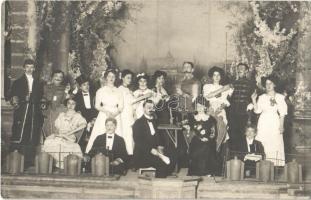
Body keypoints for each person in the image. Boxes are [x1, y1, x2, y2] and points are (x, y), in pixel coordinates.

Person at [9, 59, 44, 167]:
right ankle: (17, 161)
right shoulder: (18, 82)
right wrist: (22, 98)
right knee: (20, 134)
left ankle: (29, 161)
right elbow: (13, 96)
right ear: (24, 68)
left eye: (31, 67)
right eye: (27, 67)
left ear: (34, 68)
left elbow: (41, 97)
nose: (29, 69)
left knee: (32, 135)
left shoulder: (38, 82)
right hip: (22, 112)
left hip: (33, 112)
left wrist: (41, 101)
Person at [251, 75, 287, 166]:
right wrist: (254, 100)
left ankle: (275, 165)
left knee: (274, 143)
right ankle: (264, 166)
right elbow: (257, 111)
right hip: (263, 121)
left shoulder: (279, 97)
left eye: (270, 83)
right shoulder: (262, 97)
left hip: (274, 121)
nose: (268, 85)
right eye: (266, 84)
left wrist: (281, 125)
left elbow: (282, 113)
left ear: (274, 84)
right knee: (263, 142)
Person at [85, 68, 124, 153]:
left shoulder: (119, 91)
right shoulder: (101, 90)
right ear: (106, 77)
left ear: (115, 78)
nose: (111, 78)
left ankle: (116, 154)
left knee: (117, 132)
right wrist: (106, 112)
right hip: (104, 113)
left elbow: (121, 107)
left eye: (113, 76)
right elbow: (97, 105)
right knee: (101, 131)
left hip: (115, 114)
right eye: (109, 76)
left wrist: (115, 114)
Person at [42, 98, 87, 169]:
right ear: (66, 104)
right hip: (60, 135)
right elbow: (57, 126)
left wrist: (71, 132)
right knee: (49, 142)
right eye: (69, 103)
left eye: (73, 104)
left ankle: (65, 164)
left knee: (70, 145)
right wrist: (59, 134)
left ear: (76, 105)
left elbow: (84, 124)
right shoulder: (61, 115)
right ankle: (56, 163)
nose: (70, 105)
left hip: (70, 136)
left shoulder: (77, 116)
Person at [132, 100, 172, 178]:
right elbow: (138, 141)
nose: (151, 109)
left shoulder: (155, 121)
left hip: (156, 150)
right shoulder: (138, 123)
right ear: (143, 108)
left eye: (152, 108)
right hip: (143, 152)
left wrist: (160, 146)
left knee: (172, 156)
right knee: (162, 165)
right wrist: (150, 149)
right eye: (148, 107)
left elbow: (160, 137)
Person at [203, 66, 233, 152]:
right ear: (211, 77)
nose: (216, 77)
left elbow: (226, 101)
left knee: (220, 131)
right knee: (210, 131)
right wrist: (223, 89)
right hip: (210, 109)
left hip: (220, 110)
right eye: (214, 75)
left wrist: (222, 107)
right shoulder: (207, 86)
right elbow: (208, 96)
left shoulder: (225, 88)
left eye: (218, 75)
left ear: (221, 77)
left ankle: (217, 151)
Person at [187, 96, 218, 176]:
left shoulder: (211, 119)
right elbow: (187, 129)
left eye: (202, 106)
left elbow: (213, 133)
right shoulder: (192, 118)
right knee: (199, 147)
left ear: (205, 107)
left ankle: (205, 172)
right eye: (198, 106)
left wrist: (207, 139)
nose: (200, 108)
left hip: (209, 141)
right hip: (196, 140)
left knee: (206, 147)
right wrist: (187, 127)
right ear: (195, 107)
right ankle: (200, 172)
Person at [228, 63, 256, 149]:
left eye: (242, 68)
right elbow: (228, 100)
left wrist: (251, 104)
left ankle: (243, 155)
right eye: (238, 68)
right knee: (232, 133)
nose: (240, 70)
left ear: (246, 71)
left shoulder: (251, 83)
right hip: (233, 112)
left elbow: (254, 97)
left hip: (244, 113)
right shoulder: (233, 83)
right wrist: (229, 95)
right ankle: (233, 156)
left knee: (243, 133)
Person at [73, 74, 98, 152]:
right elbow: (76, 110)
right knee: (81, 136)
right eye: (84, 85)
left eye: (88, 84)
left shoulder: (94, 95)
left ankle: (92, 152)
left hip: (93, 117)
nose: (87, 86)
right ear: (80, 87)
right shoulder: (76, 97)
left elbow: (97, 107)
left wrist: (94, 118)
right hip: (82, 118)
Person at [42, 70, 69, 138]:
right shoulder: (45, 87)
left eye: (60, 77)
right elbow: (42, 98)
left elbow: (64, 102)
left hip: (58, 115)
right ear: (52, 77)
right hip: (47, 115)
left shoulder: (64, 89)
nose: (58, 78)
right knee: (47, 134)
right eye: (56, 76)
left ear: (62, 79)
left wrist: (67, 92)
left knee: (57, 135)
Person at [118, 69, 135, 156]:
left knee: (130, 136)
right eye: (128, 78)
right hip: (124, 116)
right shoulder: (120, 89)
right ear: (122, 78)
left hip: (129, 115)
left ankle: (130, 156)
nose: (130, 80)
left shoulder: (128, 90)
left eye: (131, 78)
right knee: (126, 135)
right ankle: (128, 156)